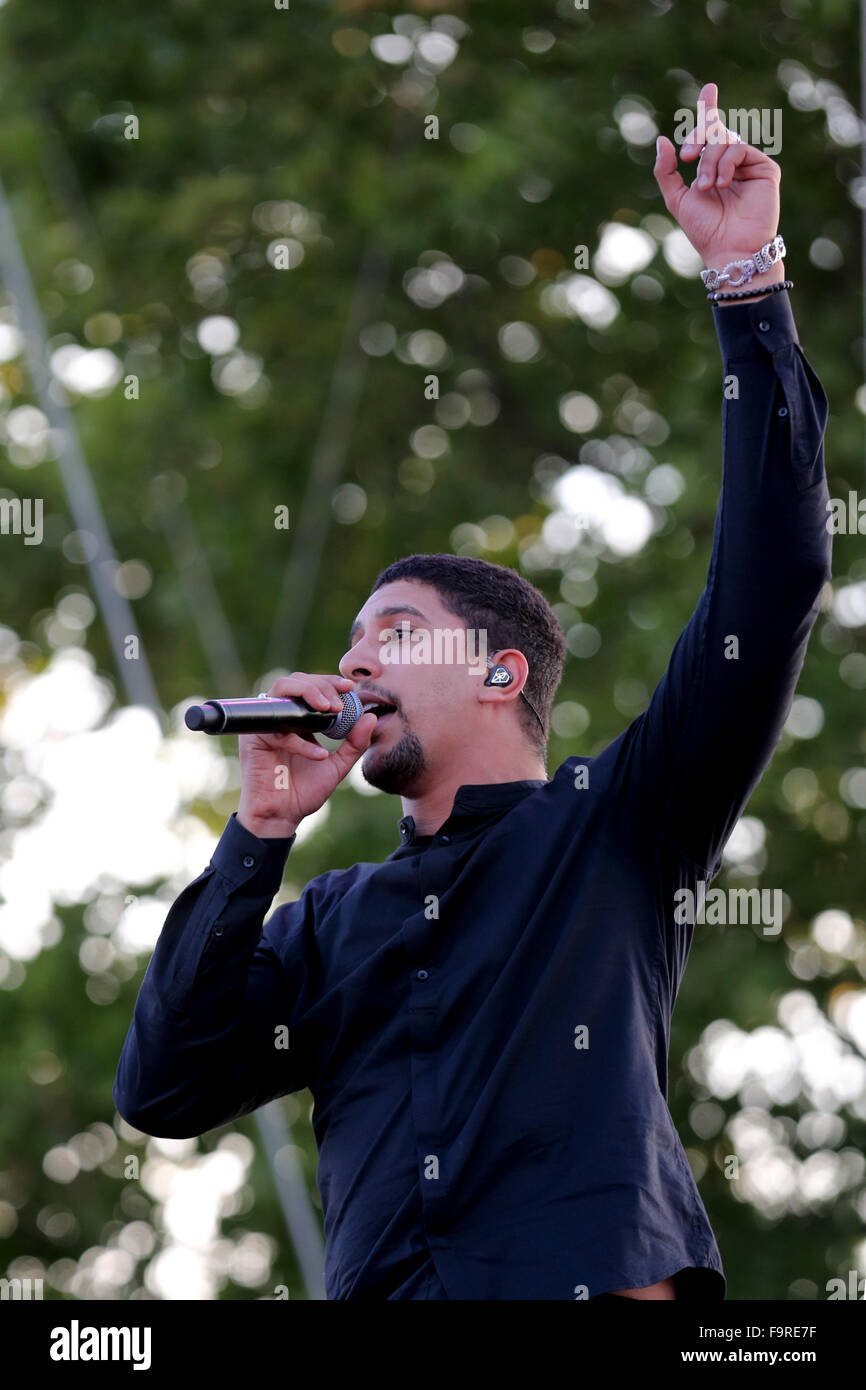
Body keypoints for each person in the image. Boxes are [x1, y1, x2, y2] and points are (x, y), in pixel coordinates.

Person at [114, 83, 831, 1299]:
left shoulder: (616, 824)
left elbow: (769, 585)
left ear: (499, 671)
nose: (353, 666)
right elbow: (164, 1089)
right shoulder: (332, 919)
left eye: (392, 633)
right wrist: (257, 834)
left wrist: (745, 281)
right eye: (350, 643)